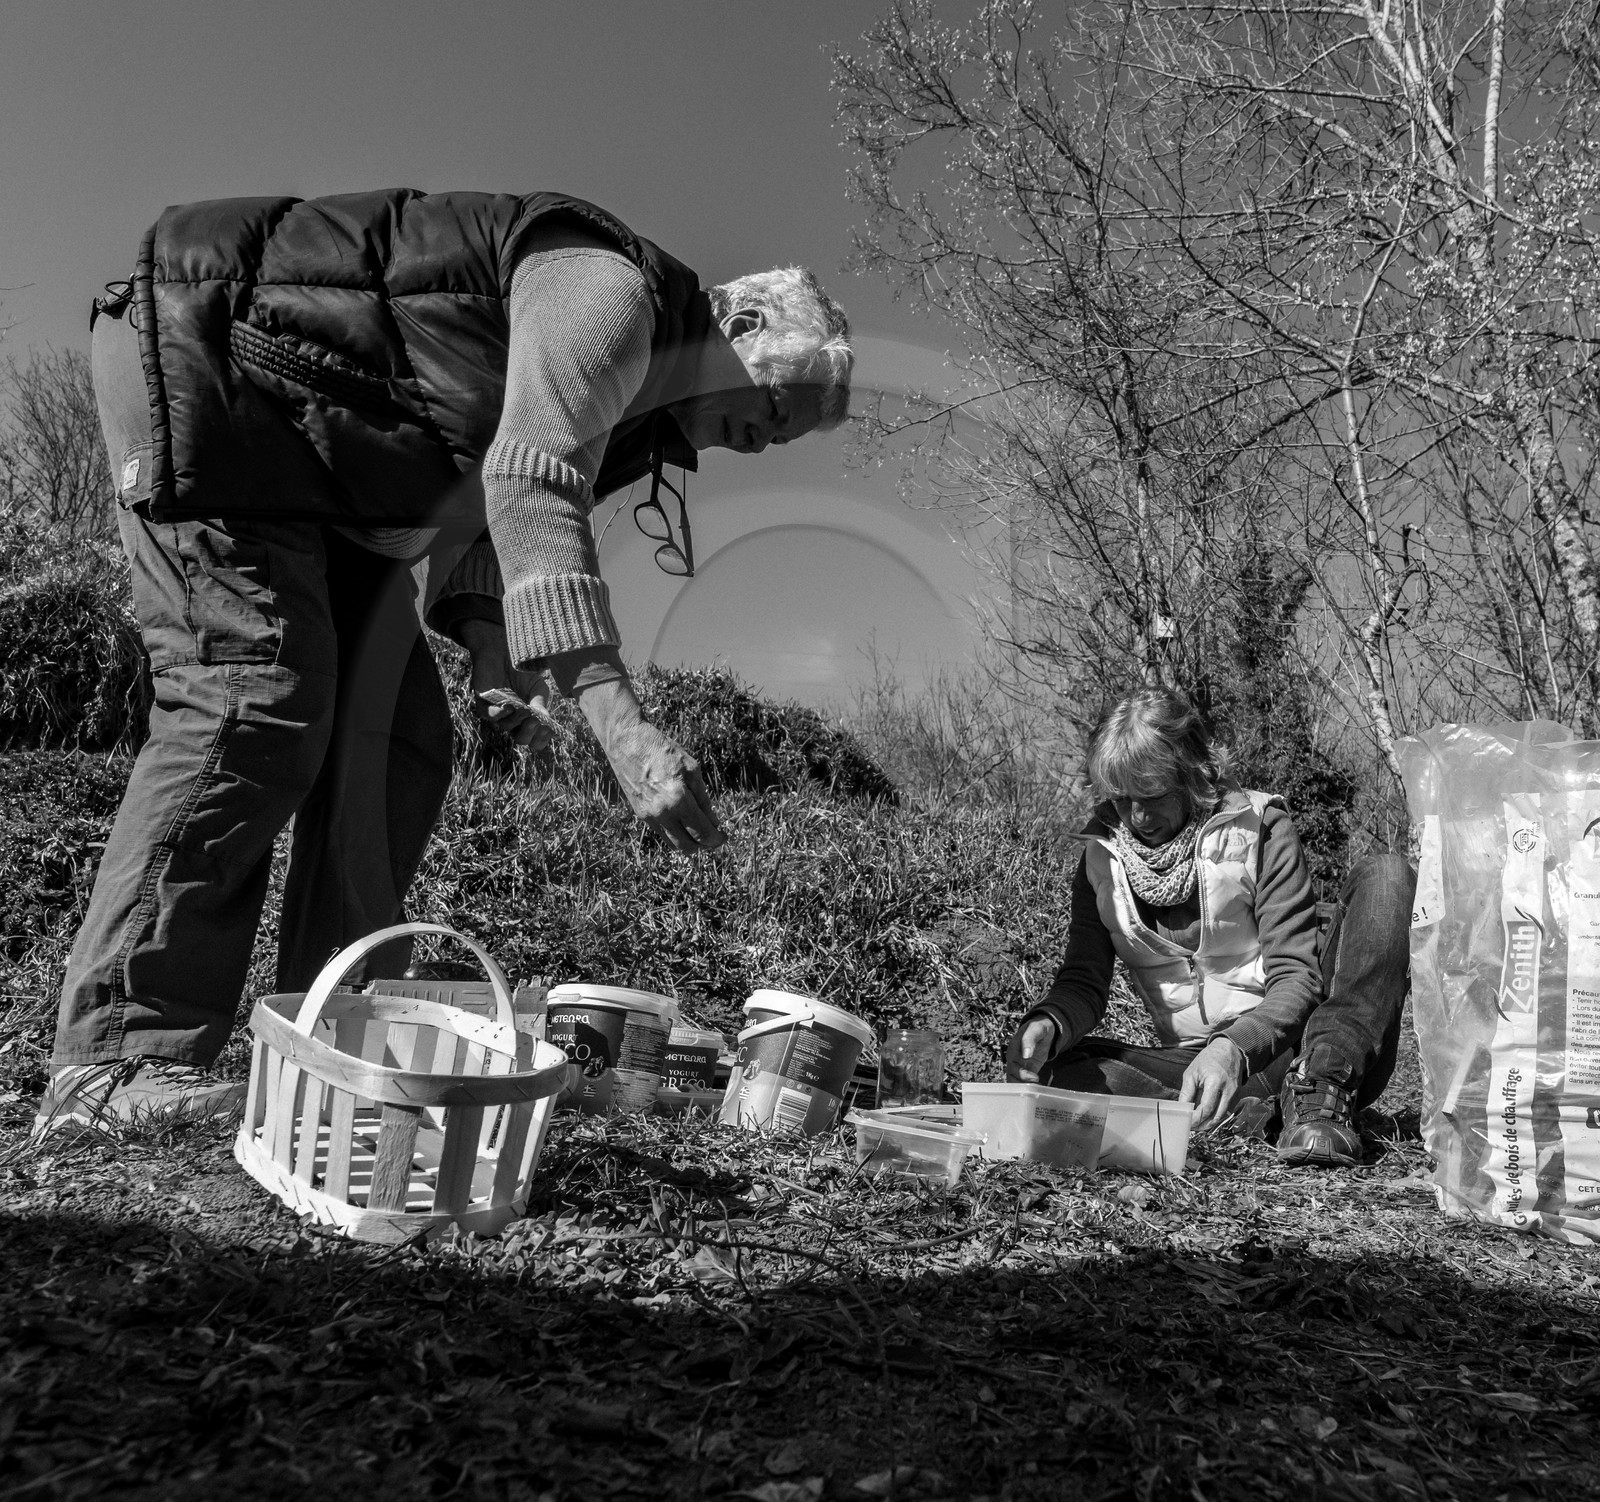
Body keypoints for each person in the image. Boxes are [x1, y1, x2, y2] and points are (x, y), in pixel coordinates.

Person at [37, 187, 852, 1132]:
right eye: (773, 406)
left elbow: (474, 500)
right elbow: (529, 477)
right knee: (255, 695)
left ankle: (323, 1046)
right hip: (215, 370)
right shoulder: (611, 293)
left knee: (399, 742)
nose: (763, 441)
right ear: (739, 322)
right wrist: (622, 730)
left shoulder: (640, 410)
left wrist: (489, 654)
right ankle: (115, 1061)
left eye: (781, 438)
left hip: (321, 465)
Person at [1005, 688, 1414, 1167]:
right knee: (1052, 1071)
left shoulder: (1262, 825)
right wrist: (1049, 1023)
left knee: (1387, 876)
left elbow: (1297, 976)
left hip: (1302, 1043)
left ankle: (1319, 1091)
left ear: (1191, 775)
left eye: (1153, 795)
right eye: (1120, 799)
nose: (1137, 817)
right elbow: (1082, 982)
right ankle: (1261, 1115)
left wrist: (1233, 1047)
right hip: (1192, 1063)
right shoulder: (1100, 858)